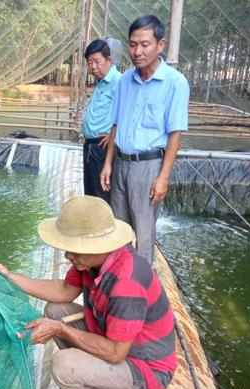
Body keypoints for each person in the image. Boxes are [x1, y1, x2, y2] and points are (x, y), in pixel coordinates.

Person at [0, 196, 177, 389]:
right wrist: (10, 277)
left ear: (97, 246)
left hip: (146, 369)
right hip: (117, 344)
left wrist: (59, 329)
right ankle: (92, 379)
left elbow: (115, 353)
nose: (67, 255)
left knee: (63, 366)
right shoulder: (91, 263)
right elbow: (64, 292)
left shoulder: (126, 282)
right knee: (56, 309)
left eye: (73, 247)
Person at [99, 15, 190, 264]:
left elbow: (175, 134)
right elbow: (116, 124)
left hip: (148, 167)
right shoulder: (125, 81)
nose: (137, 51)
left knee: (144, 234)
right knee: (119, 230)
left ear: (160, 45)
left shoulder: (175, 83)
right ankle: (118, 284)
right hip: (121, 163)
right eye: (132, 44)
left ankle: (142, 292)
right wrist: (108, 163)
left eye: (145, 44)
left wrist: (163, 177)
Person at [81, 39, 122, 203]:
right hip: (91, 147)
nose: (93, 67)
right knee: (91, 195)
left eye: (97, 62)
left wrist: (114, 137)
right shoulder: (100, 83)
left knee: (101, 197)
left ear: (109, 60)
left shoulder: (118, 82)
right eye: (90, 62)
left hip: (103, 148)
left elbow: (128, 113)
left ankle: (105, 228)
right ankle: (92, 228)